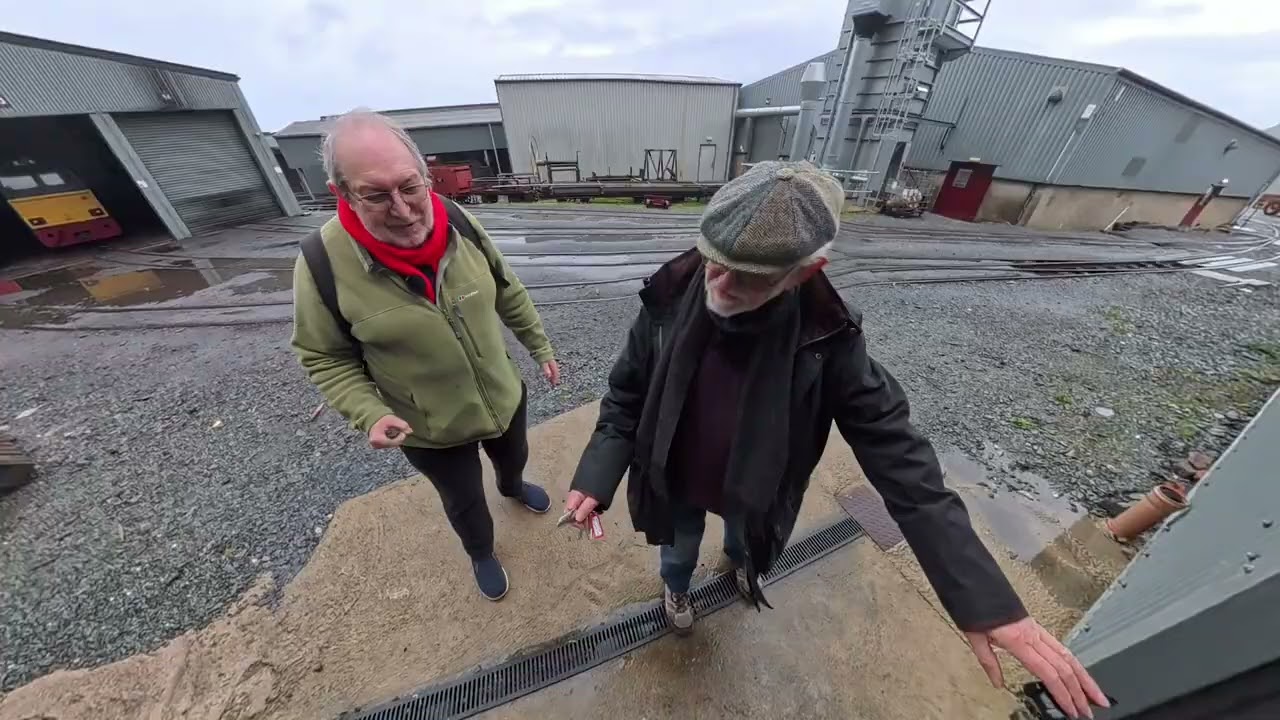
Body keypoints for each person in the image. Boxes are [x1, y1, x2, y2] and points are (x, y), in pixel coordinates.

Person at [563, 161, 1109, 719]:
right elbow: (626, 394)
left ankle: (742, 566)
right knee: (678, 550)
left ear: (806, 271)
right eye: (716, 263)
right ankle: (677, 590)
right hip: (674, 480)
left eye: (749, 277)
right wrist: (596, 476)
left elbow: (903, 461)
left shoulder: (830, 337)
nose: (719, 287)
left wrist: (983, 599)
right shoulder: (670, 295)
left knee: (743, 542)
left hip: (751, 491)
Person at [292, 110, 561, 602]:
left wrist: (538, 345)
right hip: (429, 428)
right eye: (376, 195)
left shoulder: (458, 220)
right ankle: (481, 550)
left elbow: (506, 288)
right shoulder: (319, 263)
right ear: (341, 192)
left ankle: (512, 487)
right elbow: (323, 356)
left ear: (424, 174)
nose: (403, 209)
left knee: (514, 457)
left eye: (410, 187)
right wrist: (369, 412)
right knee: (463, 501)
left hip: (502, 395)